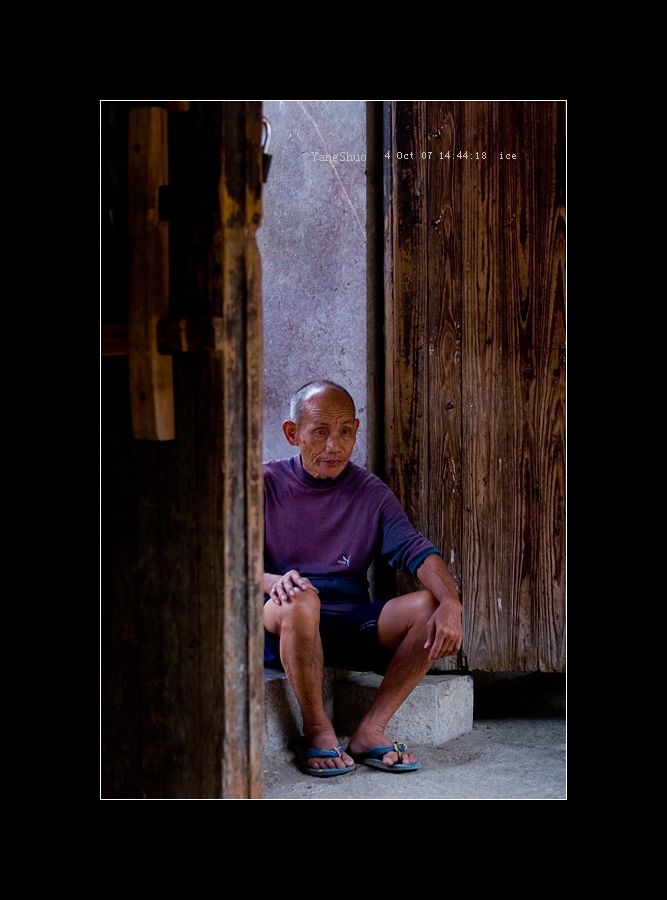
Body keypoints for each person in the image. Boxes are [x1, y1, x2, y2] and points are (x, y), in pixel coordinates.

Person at [263, 380, 463, 776]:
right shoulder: (264, 485)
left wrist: (452, 603)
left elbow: (419, 554)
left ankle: (370, 731)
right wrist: (272, 582)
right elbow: (226, 562)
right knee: (302, 598)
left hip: (350, 624)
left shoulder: (371, 493)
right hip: (283, 618)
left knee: (429, 603)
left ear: (356, 430)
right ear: (293, 433)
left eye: (345, 432)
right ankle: (318, 729)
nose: (333, 446)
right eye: (319, 432)